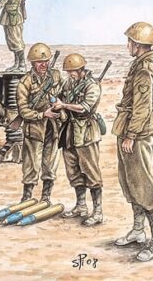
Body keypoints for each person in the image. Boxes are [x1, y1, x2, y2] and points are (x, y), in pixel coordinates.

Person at [112, 22, 153, 262]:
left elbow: (143, 107)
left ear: (138, 44)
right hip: (133, 128)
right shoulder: (142, 63)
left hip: (139, 133)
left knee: (142, 184)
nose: (128, 46)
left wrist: (131, 135)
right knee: (130, 181)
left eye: (130, 42)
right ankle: (138, 230)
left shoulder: (145, 67)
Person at [52, 53, 104, 226]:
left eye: (72, 71)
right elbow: (58, 96)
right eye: (68, 72)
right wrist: (55, 101)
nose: (70, 74)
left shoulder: (92, 86)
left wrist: (64, 105)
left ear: (81, 69)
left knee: (91, 172)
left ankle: (98, 212)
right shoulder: (68, 83)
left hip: (86, 133)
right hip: (70, 133)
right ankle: (81, 206)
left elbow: (84, 108)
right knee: (73, 170)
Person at [17, 42, 63, 203]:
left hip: (53, 127)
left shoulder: (55, 76)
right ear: (32, 63)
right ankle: (27, 197)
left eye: (46, 61)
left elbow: (64, 93)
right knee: (31, 164)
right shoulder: (25, 82)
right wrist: (42, 114)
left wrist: (58, 104)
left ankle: (46, 197)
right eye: (39, 62)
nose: (44, 65)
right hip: (35, 129)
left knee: (50, 163)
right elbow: (23, 111)